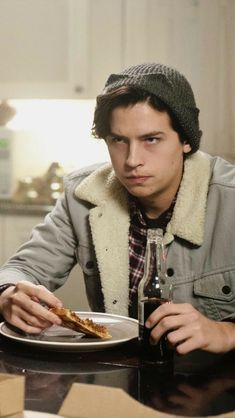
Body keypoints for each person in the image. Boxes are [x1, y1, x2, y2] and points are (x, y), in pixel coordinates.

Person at [0, 63, 234, 355]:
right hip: (116, 375)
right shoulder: (81, 195)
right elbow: (22, 269)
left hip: (210, 386)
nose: (132, 160)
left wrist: (226, 332)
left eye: (151, 139)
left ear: (185, 140)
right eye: (118, 140)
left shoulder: (230, 199)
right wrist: (8, 294)